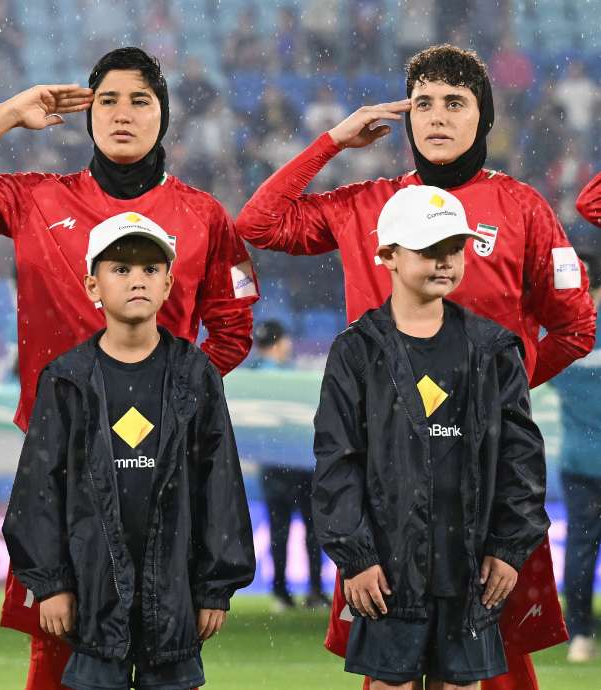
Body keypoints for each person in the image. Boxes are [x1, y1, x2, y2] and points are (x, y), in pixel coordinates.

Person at [235, 44, 587, 689]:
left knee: (497, 665)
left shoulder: (523, 208)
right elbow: (259, 224)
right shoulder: (365, 204)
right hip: (385, 477)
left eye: (455, 102)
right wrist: (331, 142)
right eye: (423, 103)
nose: (437, 116)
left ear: (483, 118)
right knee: (388, 666)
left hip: (483, 474)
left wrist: (497, 392)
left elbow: (576, 326)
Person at [0, 47, 257, 688]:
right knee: (56, 649)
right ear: (87, 115)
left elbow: (233, 332)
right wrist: (8, 114)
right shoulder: (37, 199)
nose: (123, 114)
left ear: (164, 114)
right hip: (60, 464)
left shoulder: (204, 215)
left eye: (140, 101)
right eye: (107, 101)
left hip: (163, 471)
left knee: (167, 655)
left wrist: (166, 398)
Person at [3, 213, 254, 690]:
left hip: (176, 598)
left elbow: (220, 483)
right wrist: (50, 584)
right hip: (91, 600)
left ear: (168, 285)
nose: (137, 279)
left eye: (150, 269)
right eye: (120, 268)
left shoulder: (195, 374)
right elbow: (38, 491)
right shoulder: (65, 378)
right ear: (92, 285)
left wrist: (216, 587)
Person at [313, 186, 549, 689]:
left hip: (471, 567)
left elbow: (521, 459)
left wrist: (508, 547)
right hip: (386, 568)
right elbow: (337, 463)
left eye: (454, 248)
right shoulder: (356, 351)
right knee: (390, 683)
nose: (444, 261)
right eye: (428, 249)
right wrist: (357, 557)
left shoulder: (492, 348)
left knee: (460, 685)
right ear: (387, 256)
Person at [246, 320, 328, 611]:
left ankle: (281, 592)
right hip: (302, 464)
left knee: (278, 530)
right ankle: (316, 591)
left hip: (272, 466)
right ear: (281, 343)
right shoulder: (293, 377)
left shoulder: (250, 378)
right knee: (312, 530)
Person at [547, 251, 601, 663]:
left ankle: (580, 633)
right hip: (583, 458)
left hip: (579, 459)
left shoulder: (566, 332)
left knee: (581, 547)